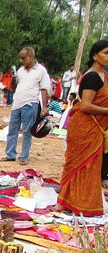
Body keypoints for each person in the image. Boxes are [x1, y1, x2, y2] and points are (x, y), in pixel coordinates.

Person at [57, 40, 108, 216]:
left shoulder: (104, 76)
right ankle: (70, 203)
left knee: (92, 165)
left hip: (96, 128)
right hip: (84, 126)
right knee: (79, 165)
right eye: (105, 53)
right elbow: (85, 105)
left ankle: (83, 203)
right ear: (94, 55)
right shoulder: (92, 77)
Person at [0, 47, 50, 165]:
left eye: (23, 58)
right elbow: (12, 87)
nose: (21, 60)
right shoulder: (20, 71)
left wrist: (44, 107)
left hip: (30, 104)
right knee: (12, 130)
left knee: (27, 131)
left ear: (31, 57)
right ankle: (10, 154)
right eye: (20, 58)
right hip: (17, 104)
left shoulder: (41, 70)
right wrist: (13, 79)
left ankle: (24, 156)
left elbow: (44, 89)